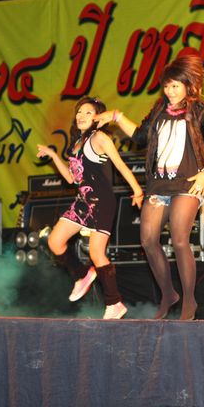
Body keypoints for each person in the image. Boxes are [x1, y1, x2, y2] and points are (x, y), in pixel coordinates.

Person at [97, 52, 204, 320]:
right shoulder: (159, 109)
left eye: (175, 86)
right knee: (147, 240)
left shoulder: (202, 111)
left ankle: (189, 300)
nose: (170, 91)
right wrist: (117, 116)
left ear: (189, 85)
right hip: (158, 185)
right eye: (166, 86)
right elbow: (140, 136)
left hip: (188, 183)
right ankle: (168, 294)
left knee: (179, 239)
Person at [37, 96, 144, 320]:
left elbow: (121, 165)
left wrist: (137, 190)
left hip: (102, 202)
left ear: (98, 117)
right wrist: (53, 155)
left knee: (96, 253)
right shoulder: (76, 144)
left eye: (88, 112)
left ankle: (114, 303)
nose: (81, 116)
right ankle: (82, 274)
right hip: (82, 202)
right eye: (79, 112)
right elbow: (70, 179)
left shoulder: (100, 138)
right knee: (54, 241)